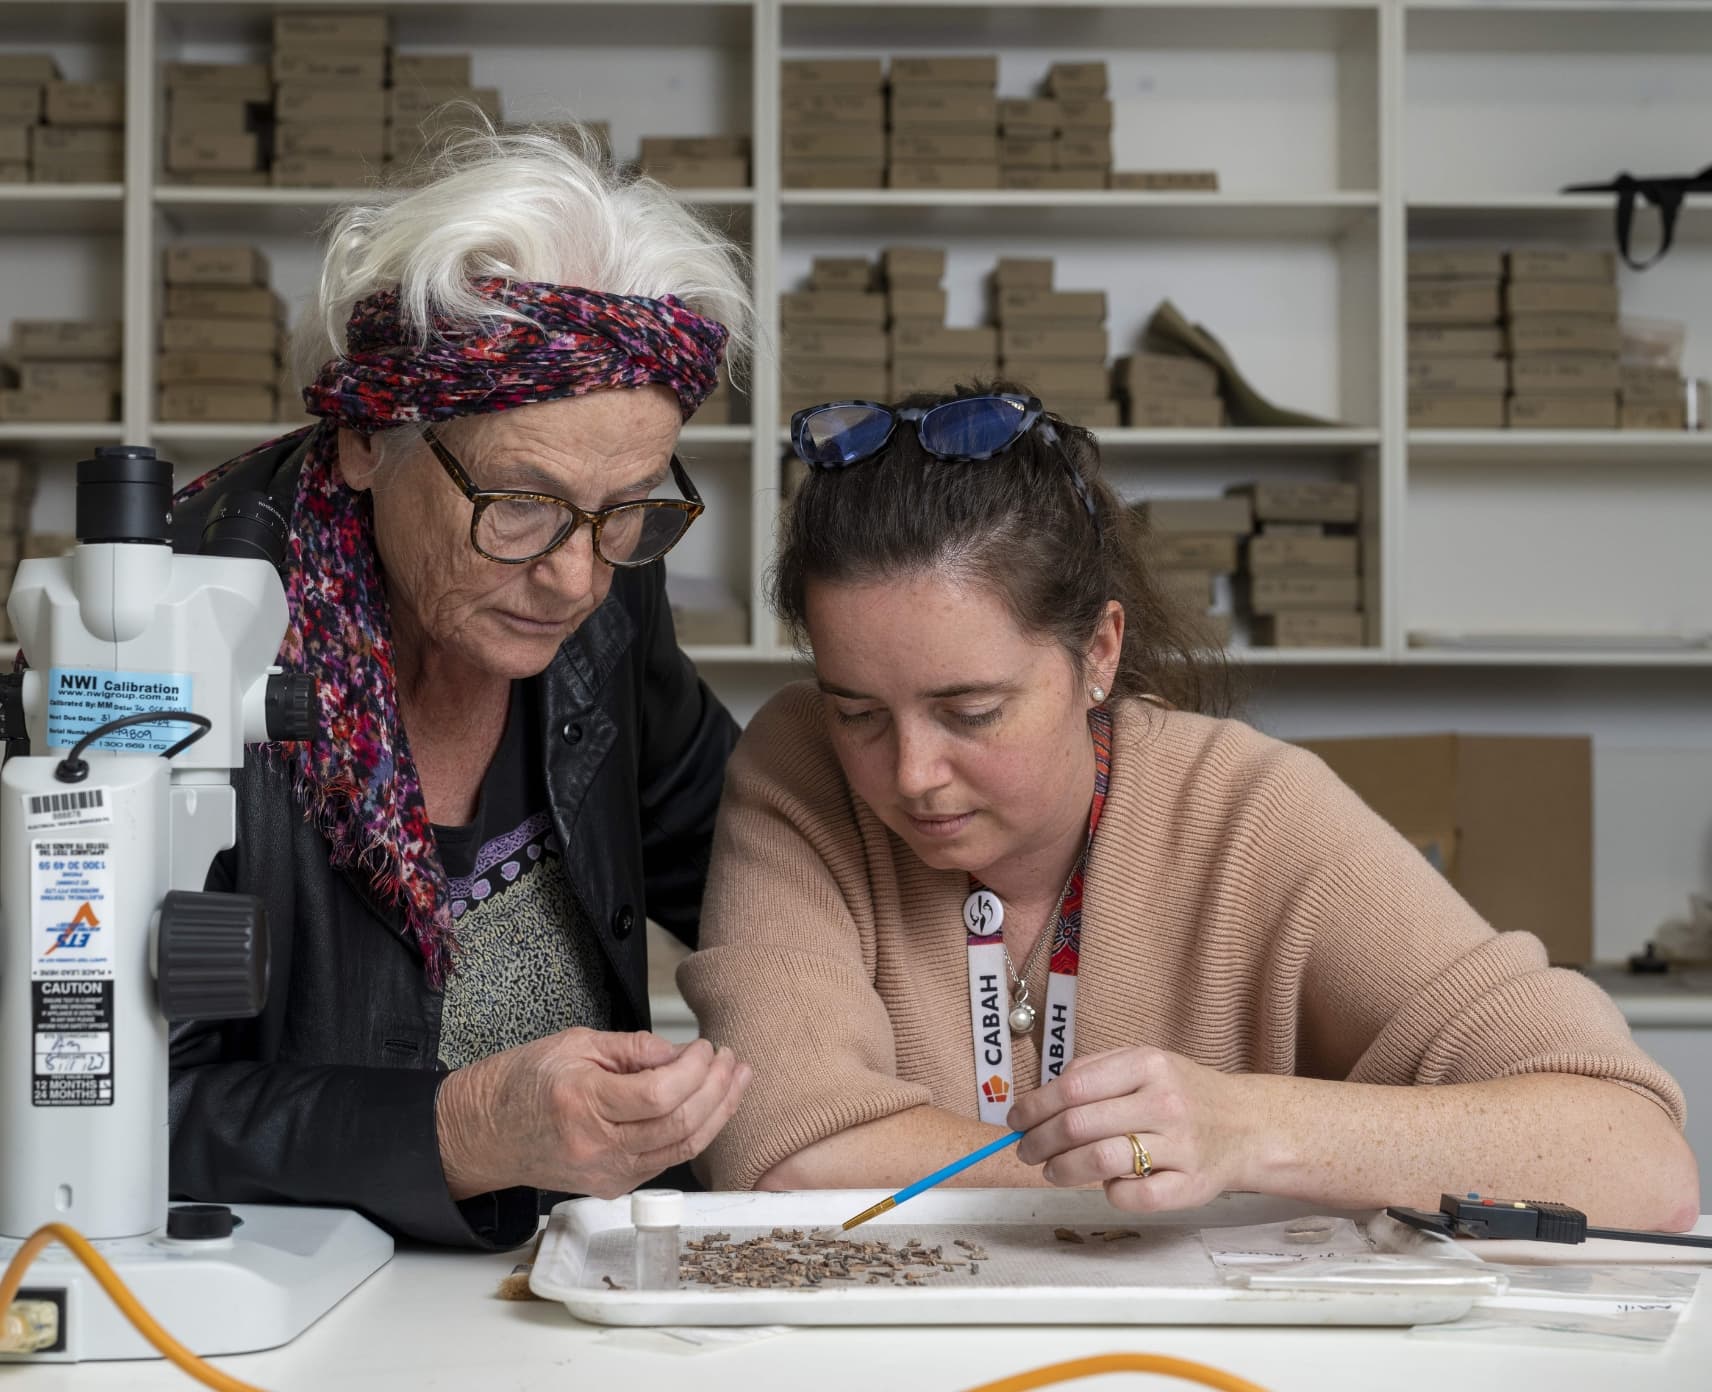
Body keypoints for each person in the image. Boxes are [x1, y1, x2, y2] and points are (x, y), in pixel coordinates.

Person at [680, 387, 1699, 1229]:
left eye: (969, 711)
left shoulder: (1256, 808)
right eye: (860, 712)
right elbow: (794, 1162)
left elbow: (1637, 1159)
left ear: (1098, 654)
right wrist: (1175, 1188)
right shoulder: (799, 765)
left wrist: (1245, 1127)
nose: (909, 774)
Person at [167, 128, 754, 1248]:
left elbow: (739, 858)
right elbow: (90, 1097)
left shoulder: (604, 593)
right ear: (361, 439)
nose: (575, 577)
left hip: (589, 1265)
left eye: (626, 506)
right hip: (313, 1304)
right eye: (517, 504)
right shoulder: (161, 645)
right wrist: (466, 1126)